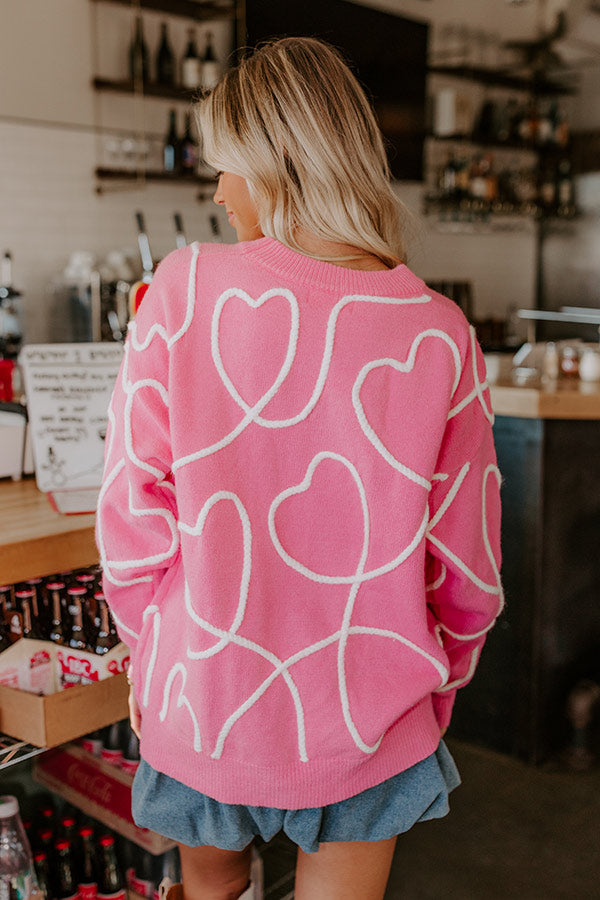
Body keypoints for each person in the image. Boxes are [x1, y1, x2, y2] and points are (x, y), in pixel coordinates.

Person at [96, 37, 502, 900]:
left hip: (204, 697)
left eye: (224, 168)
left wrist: (148, 656)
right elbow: (468, 568)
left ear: (275, 164)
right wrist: (438, 687)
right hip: (372, 717)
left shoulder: (180, 288)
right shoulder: (440, 333)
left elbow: (132, 522)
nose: (215, 192)